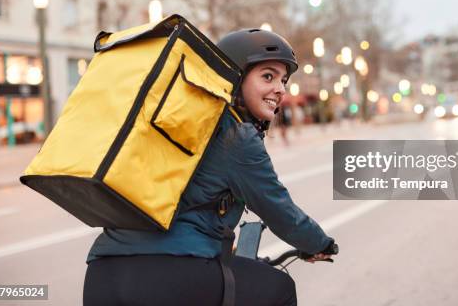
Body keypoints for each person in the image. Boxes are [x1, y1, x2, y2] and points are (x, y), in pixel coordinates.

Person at [83, 28, 336, 306]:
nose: (280, 89)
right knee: (279, 288)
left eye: (284, 80)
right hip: (167, 276)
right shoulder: (235, 136)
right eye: (268, 76)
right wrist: (319, 244)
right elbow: (280, 211)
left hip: (102, 275)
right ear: (235, 78)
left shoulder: (176, 125)